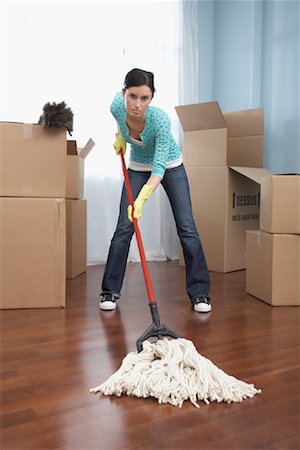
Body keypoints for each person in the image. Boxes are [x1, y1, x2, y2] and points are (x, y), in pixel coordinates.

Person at [99, 68, 211, 313]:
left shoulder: (160, 120)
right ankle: (109, 290)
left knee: (187, 228)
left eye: (144, 98)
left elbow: (159, 169)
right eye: (132, 96)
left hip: (169, 166)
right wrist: (120, 137)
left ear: (151, 98)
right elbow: (120, 122)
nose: (137, 104)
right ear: (123, 93)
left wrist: (140, 200)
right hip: (137, 167)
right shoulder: (116, 106)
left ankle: (200, 293)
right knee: (123, 227)